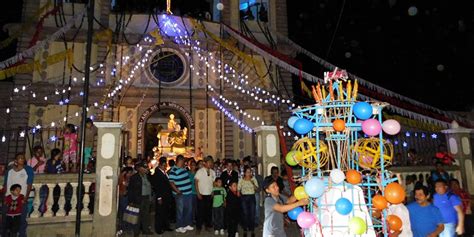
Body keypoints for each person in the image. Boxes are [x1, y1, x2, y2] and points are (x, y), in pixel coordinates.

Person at [3, 153, 34, 237]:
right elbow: (5, 184)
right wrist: (4, 198)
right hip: (9, 197)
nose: (22, 159)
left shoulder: (28, 170)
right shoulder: (9, 170)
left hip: (21, 198)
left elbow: (29, 184)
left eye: (23, 158)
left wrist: (26, 198)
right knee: (6, 220)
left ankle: (22, 235)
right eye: (20, 158)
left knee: (21, 220)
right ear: (15, 160)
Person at [168, 155, 194, 233]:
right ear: (180, 161)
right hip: (180, 194)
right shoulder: (173, 170)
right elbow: (171, 182)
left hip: (188, 192)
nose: (184, 163)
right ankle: (179, 226)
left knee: (188, 209)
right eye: (183, 161)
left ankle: (186, 224)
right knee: (180, 210)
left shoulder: (183, 168)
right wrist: (177, 191)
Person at [127, 162, 153, 236]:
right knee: (137, 217)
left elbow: (150, 186)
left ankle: (146, 230)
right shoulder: (134, 177)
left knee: (146, 215)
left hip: (147, 198)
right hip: (139, 198)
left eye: (146, 168)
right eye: (144, 168)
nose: (146, 169)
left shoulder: (147, 176)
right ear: (140, 169)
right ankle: (136, 232)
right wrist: (131, 201)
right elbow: (131, 190)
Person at [150, 157, 174, 235]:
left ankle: (166, 226)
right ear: (160, 165)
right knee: (160, 213)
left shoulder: (164, 172)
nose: (165, 167)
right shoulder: (157, 173)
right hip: (161, 196)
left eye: (165, 165)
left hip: (166, 195)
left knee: (166, 212)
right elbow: (157, 187)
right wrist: (159, 197)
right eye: (163, 165)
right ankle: (158, 228)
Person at [195, 155, 216, 234]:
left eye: (211, 162)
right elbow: (196, 182)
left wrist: (213, 191)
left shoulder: (212, 172)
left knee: (208, 212)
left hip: (209, 194)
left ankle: (208, 226)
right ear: (205, 163)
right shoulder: (200, 171)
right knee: (200, 212)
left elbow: (213, 183)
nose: (210, 164)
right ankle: (198, 227)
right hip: (201, 194)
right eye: (209, 162)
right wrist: (198, 193)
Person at [238, 166, 258, 237]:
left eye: (250, 172)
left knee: (252, 213)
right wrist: (239, 196)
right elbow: (238, 189)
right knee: (245, 214)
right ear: (244, 173)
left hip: (252, 197)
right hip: (244, 197)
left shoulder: (253, 179)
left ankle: (252, 230)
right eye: (247, 172)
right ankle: (245, 229)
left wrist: (252, 183)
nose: (249, 174)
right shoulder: (241, 180)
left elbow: (256, 189)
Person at [118, 167, 134, 231]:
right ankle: (124, 226)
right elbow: (119, 185)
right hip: (123, 197)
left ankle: (127, 226)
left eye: (131, 173)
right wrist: (122, 175)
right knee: (124, 211)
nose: (130, 174)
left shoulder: (130, 179)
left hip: (129, 197)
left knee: (128, 212)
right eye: (129, 173)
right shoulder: (122, 179)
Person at [188, 159, 198, 224]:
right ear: (190, 166)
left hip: (196, 192)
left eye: (194, 165)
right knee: (190, 207)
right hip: (189, 192)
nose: (193, 166)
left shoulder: (197, 173)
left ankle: (195, 219)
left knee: (196, 207)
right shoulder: (187, 173)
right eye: (191, 165)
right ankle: (190, 220)